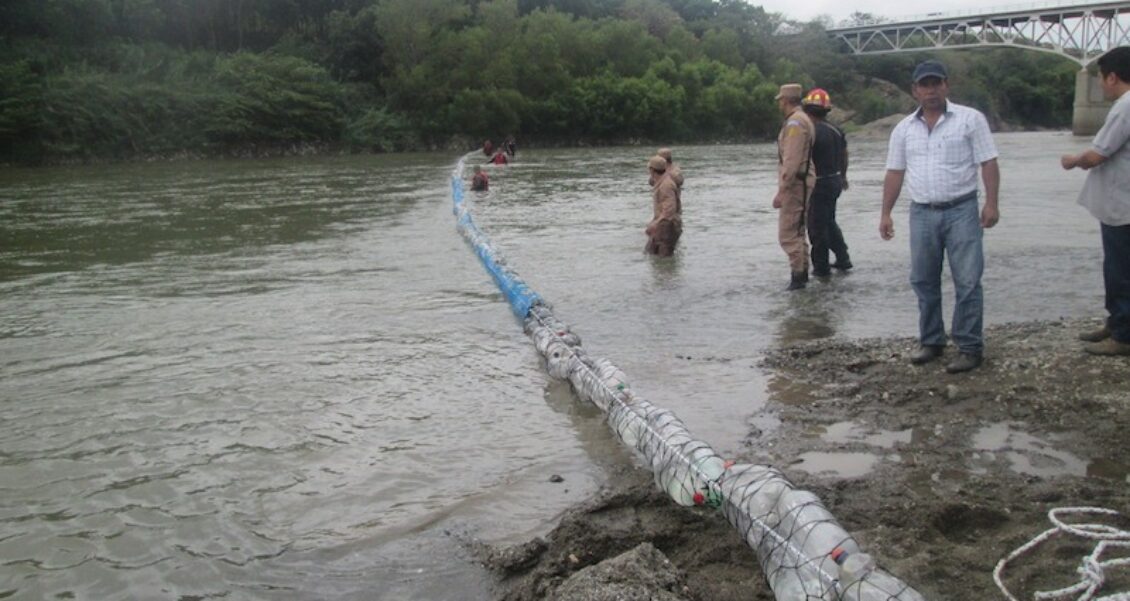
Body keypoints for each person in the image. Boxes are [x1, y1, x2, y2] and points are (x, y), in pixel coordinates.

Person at [880, 59, 1001, 374]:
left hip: (962, 209)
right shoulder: (904, 129)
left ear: (946, 85)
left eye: (936, 83)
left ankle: (970, 347)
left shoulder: (970, 119)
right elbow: (895, 171)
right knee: (923, 280)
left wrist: (991, 203)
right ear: (915, 90)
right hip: (921, 212)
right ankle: (932, 341)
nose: (931, 90)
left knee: (968, 281)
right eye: (924, 84)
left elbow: (988, 162)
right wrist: (885, 213)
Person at [1061, 46, 1130, 356]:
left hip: (1122, 206)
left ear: (1113, 77)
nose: (1101, 84)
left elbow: (1097, 154)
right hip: (1122, 202)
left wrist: (1072, 160)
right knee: (1120, 268)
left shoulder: (1125, 107)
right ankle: (1117, 322)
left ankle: (1123, 334)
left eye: (1102, 78)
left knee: (1120, 270)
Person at [801, 88, 853, 277]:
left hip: (818, 185)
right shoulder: (836, 131)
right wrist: (844, 177)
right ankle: (843, 258)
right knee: (829, 222)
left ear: (807, 108)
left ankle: (821, 269)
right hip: (835, 182)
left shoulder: (808, 132)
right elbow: (844, 156)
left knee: (816, 228)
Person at [773, 83, 816, 290]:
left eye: (781, 99)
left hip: (795, 184)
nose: (779, 103)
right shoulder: (802, 120)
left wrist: (782, 190)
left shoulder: (795, 124)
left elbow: (791, 160)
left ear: (786, 100)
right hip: (802, 181)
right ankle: (802, 275)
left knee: (788, 234)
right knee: (798, 231)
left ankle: (797, 279)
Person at [645, 155, 682, 257]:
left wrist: (654, 224)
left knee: (664, 263)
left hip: (668, 228)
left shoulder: (666, 185)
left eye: (649, 169)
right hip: (662, 226)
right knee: (650, 255)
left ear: (652, 170)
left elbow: (669, 210)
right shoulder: (661, 181)